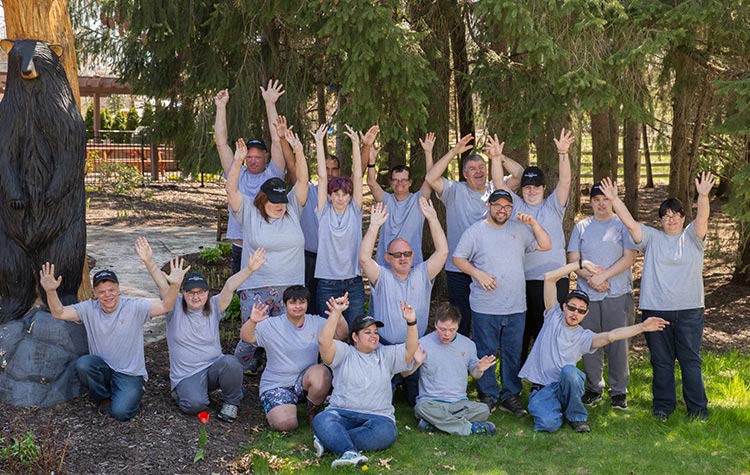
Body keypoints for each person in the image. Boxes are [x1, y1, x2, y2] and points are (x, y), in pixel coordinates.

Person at [601, 173, 714, 421]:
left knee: (690, 361)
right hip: (655, 310)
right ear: (660, 221)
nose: (670, 220)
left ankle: (698, 410)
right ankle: (663, 407)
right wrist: (615, 200)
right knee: (661, 362)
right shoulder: (652, 238)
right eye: (665, 216)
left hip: (689, 310)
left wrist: (703, 196)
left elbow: (703, 218)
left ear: (683, 218)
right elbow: (631, 224)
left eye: (675, 215)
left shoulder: (693, 238)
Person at [519, 260, 669, 433]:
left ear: (586, 314)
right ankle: (556, 409)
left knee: (570, 372)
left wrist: (642, 327)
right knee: (548, 425)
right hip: (542, 389)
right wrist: (581, 264)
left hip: (565, 385)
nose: (575, 313)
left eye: (581, 310)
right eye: (572, 308)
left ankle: (576, 417)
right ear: (564, 307)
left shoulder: (584, 336)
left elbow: (611, 336)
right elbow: (549, 278)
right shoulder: (553, 317)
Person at [38, 255, 188, 421]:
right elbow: (59, 313)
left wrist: (175, 285)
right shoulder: (89, 308)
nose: (107, 295)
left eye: (111, 290)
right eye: (102, 292)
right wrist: (50, 291)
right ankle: (104, 397)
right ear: (94, 293)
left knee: (121, 413)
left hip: (129, 373)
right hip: (104, 369)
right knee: (84, 365)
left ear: (118, 289)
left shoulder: (134, 307)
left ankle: (133, 389)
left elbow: (166, 306)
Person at [135, 237, 265, 422]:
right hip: (187, 374)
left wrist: (250, 269)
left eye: (201, 292)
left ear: (207, 293)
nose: (196, 297)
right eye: (191, 292)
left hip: (213, 368)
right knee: (195, 405)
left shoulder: (214, 305)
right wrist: (149, 261)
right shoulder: (174, 306)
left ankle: (231, 402)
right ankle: (184, 391)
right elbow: (163, 286)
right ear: (184, 293)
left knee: (231, 363)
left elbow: (229, 286)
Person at [452, 189, 551, 416]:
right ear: (489, 206)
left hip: (516, 305)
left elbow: (546, 245)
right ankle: (487, 394)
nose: (502, 210)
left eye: (507, 206)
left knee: (512, 352)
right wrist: (478, 274)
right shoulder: (476, 231)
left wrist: (534, 223)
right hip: (485, 305)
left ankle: (510, 395)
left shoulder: (520, 230)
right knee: (486, 351)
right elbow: (458, 258)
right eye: (498, 205)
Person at [227, 129, 309, 375]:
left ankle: (283, 374)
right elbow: (231, 191)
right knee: (250, 338)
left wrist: (300, 151)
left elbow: (303, 182)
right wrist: (237, 161)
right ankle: (234, 376)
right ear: (263, 200)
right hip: (256, 285)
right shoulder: (249, 213)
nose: (280, 206)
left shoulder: (293, 209)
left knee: (287, 336)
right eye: (274, 202)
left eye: (282, 200)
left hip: (290, 287)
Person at [425, 134, 524, 336]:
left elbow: (521, 175)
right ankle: (459, 359)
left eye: (481, 168)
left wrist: (499, 156)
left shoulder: (496, 188)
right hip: (459, 269)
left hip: (489, 269)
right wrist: (454, 152)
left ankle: (481, 360)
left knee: (486, 323)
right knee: (461, 320)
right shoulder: (454, 190)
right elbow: (431, 178)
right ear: (464, 174)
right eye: (472, 169)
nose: (478, 172)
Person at [489, 129, 574, 362]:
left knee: (550, 332)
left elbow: (565, 180)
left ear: (544, 189)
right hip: (524, 280)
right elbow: (498, 183)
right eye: (527, 187)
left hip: (555, 280)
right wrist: (497, 159)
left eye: (536, 187)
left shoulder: (554, 206)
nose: (531, 191)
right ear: (522, 189)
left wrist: (563, 153)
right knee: (523, 333)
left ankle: (546, 381)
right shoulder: (516, 206)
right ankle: (516, 383)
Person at [359, 198, 448, 405]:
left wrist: (433, 219)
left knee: (420, 402)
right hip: (385, 351)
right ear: (387, 257)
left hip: (415, 350)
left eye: (407, 253)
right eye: (397, 254)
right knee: (379, 402)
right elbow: (364, 258)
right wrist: (374, 227)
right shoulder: (381, 276)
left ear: (413, 255)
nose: (403, 258)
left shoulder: (422, 273)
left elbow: (442, 252)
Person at [312, 299, 418, 468]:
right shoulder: (344, 353)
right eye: (367, 332)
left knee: (386, 433)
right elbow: (324, 342)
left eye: (375, 332)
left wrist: (411, 322)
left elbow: (409, 350)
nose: (374, 336)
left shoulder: (385, 354)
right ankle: (348, 451)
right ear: (355, 336)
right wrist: (336, 313)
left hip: (378, 417)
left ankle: (330, 440)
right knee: (322, 420)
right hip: (342, 413)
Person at [566, 182, 636, 409]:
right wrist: (590, 279)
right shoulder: (582, 227)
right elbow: (573, 260)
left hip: (617, 294)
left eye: (605, 199)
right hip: (587, 298)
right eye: (596, 199)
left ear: (611, 200)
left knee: (618, 343)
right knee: (590, 343)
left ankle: (619, 392)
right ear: (591, 202)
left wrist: (605, 277)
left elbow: (629, 258)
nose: (601, 203)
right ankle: (594, 388)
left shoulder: (622, 225)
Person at [239, 286, 348, 431]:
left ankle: (312, 410)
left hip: (305, 381)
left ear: (307, 304)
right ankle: (282, 408)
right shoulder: (272, 324)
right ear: (284, 304)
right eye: (292, 302)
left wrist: (338, 315)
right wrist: (252, 321)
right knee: (285, 425)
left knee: (321, 372)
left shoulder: (316, 322)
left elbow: (341, 335)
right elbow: (246, 337)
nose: (297, 306)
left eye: (302, 302)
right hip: (277, 384)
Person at [214, 80, 293, 273]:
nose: (253, 160)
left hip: (268, 247)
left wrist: (270, 104)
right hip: (241, 247)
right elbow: (221, 143)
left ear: (265, 157)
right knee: (242, 296)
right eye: (249, 156)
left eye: (258, 156)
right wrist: (221, 107)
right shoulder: (236, 173)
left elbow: (277, 139)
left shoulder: (273, 173)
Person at [409, 302, 497, 436]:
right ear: (435, 324)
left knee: (484, 409)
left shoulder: (468, 344)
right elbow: (405, 373)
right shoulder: (423, 343)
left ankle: (434, 424)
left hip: (459, 403)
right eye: (442, 329)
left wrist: (479, 369)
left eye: (452, 330)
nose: (446, 334)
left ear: (458, 326)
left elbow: (475, 374)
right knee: (420, 408)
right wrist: (416, 363)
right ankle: (470, 429)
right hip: (431, 402)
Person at [313, 124, 365, 322]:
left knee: (355, 329)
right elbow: (322, 176)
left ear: (350, 196)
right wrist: (319, 143)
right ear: (330, 194)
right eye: (336, 194)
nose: (341, 198)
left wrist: (355, 144)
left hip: (353, 282)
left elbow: (359, 177)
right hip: (327, 282)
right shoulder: (324, 211)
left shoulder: (355, 210)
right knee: (328, 330)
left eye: (345, 194)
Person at [365, 128, 434, 267]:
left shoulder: (419, 200)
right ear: (390, 182)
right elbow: (371, 183)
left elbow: (431, 179)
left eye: (404, 180)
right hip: (386, 265)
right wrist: (371, 162)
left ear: (410, 182)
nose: (400, 183)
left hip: (412, 265)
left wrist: (428, 153)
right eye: (396, 180)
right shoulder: (386, 200)